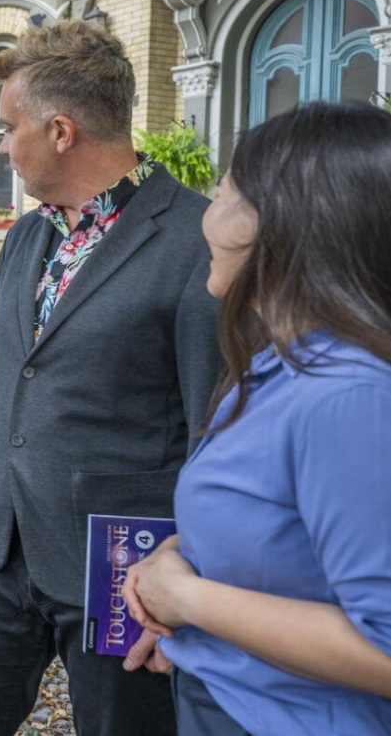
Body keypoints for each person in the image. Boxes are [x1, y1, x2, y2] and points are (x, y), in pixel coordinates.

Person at [0, 20, 221, 736]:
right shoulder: (25, 234)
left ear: (60, 131)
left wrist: (193, 581)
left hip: (124, 563)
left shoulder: (200, 239)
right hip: (2, 544)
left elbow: (215, 431)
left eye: (8, 127)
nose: (2, 146)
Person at [120, 102, 391, 735]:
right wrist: (175, 559)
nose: (207, 216)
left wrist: (188, 599)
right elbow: (287, 539)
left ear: (287, 222)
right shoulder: (276, 363)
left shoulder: (348, 396)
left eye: (223, 192)